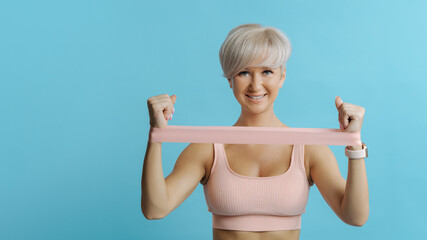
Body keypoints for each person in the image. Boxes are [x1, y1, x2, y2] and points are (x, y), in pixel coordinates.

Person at [141, 23, 369, 240]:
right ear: (230, 79)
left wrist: (354, 143)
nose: (256, 85)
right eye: (244, 72)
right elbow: (155, 209)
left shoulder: (308, 148)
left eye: (267, 71)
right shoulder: (207, 148)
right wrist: (157, 134)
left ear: (283, 76)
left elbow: (355, 216)